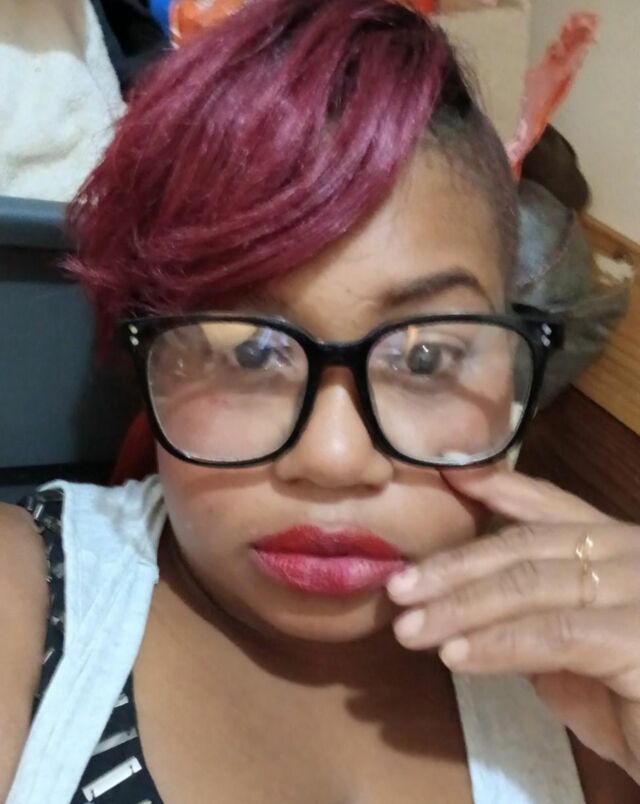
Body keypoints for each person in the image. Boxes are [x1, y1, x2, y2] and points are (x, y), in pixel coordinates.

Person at [2, 1, 639, 802]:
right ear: (150, 359)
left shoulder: (595, 698)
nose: (334, 459)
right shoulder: (25, 600)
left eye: (426, 357)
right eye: (249, 351)